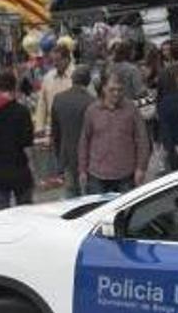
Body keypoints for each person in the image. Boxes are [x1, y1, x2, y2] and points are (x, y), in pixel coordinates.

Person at [79, 72, 149, 194]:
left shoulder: (131, 109)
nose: (116, 93)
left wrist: (141, 168)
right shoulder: (92, 111)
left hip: (125, 175)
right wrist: (82, 170)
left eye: (120, 90)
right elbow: (84, 141)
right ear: (104, 89)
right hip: (97, 175)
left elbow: (142, 139)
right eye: (112, 90)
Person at [0, 71, 35, 211]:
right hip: (19, 168)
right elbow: (27, 144)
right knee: (25, 213)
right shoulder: (22, 111)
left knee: (2, 217)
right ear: (15, 87)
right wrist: (32, 168)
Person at [51, 66, 94, 198]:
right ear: (87, 81)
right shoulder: (92, 102)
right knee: (89, 195)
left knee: (71, 193)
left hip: (67, 155)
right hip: (88, 157)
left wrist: (59, 155)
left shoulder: (59, 99)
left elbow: (55, 132)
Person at [34, 44, 74, 136]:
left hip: (70, 126)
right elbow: (42, 104)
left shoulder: (75, 77)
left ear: (67, 59)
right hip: (51, 127)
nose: (55, 64)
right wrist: (39, 127)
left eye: (58, 60)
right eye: (53, 61)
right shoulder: (48, 78)